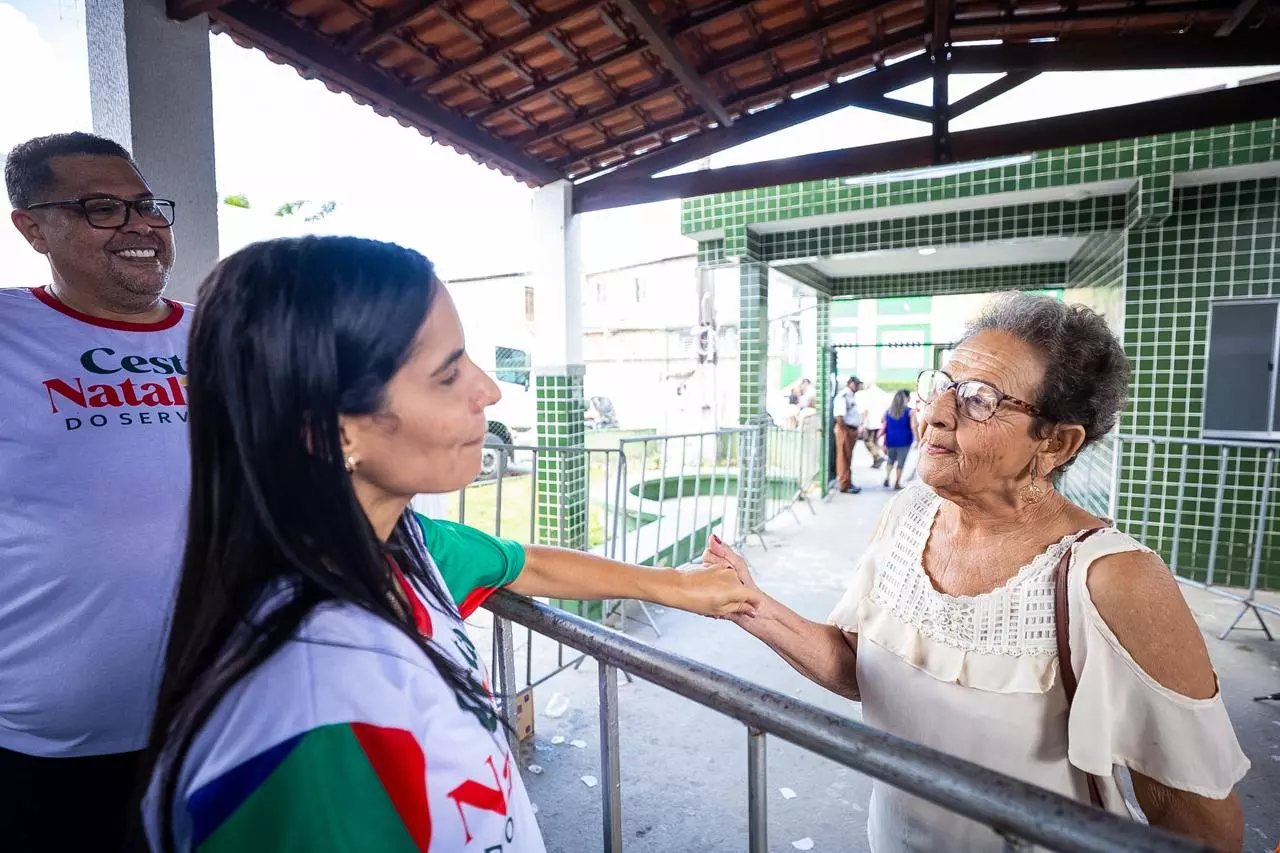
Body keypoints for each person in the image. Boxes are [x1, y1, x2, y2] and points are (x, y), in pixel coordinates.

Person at [142, 236, 759, 853]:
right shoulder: (316, 725)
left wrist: (682, 587)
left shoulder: (402, 547)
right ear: (332, 431)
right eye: (448, 374)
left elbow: (526, 564)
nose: (489, 390)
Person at [706, 293, 1248, 852]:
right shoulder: (907, 515)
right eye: (941, 386)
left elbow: (1199, 826)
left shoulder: (1113, 580)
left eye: (978, 399)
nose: (935, 414)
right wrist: (749, 603)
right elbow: (855, 666)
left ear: (1055, 443)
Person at [1, 132, 185, 853]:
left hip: (224, 715)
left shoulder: (228, 336)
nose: (140, 225)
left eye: (146, 205)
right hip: (50, 744)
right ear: (32, 228)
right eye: (101, 208)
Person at [831, 376, 862, 494]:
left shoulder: (850, 396)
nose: (857, 386)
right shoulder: (843, 396)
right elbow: (839, 417)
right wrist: (846, 431)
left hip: (849, 430)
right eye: (856, 384)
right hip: (845, 430)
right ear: (849, 383)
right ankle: (844, 484)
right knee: (843, 458)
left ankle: (848, 482)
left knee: (847, 458)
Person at [881, 388, 915, 490]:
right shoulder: (909, 411)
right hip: (904, 440)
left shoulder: (888, 411)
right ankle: (897, 483)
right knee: (901, 462)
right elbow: (913, 426)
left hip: (890, 439)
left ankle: (887, 477)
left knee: (890, 459)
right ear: (906, 398)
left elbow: (882, 421)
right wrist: (918, 439)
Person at [859, 381, 888, 470]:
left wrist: (862, 423)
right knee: (875, 441)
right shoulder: (882, 393)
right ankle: (876, 461)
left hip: (870, 423)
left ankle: (878, 456)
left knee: (867, 441)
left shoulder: (867, 394)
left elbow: (865, 410)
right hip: (879, 422)